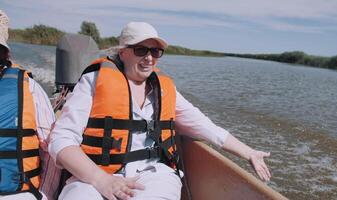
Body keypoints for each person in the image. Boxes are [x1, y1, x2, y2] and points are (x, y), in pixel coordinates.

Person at [49, 21, 271, 200]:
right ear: (123, 52)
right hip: (96, 174)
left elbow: (204, 126)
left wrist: (249, 152)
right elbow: (61, 139)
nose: (149, 58)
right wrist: (101, 180)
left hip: (153, 176)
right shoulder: (94, 81)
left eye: (155, 51)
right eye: (141, 50)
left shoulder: (164, 88)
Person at [0, 10, 60, 200]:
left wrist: (44, 195)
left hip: (15, 193)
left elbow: (50, 151)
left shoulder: (29, 89)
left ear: (3, 53)